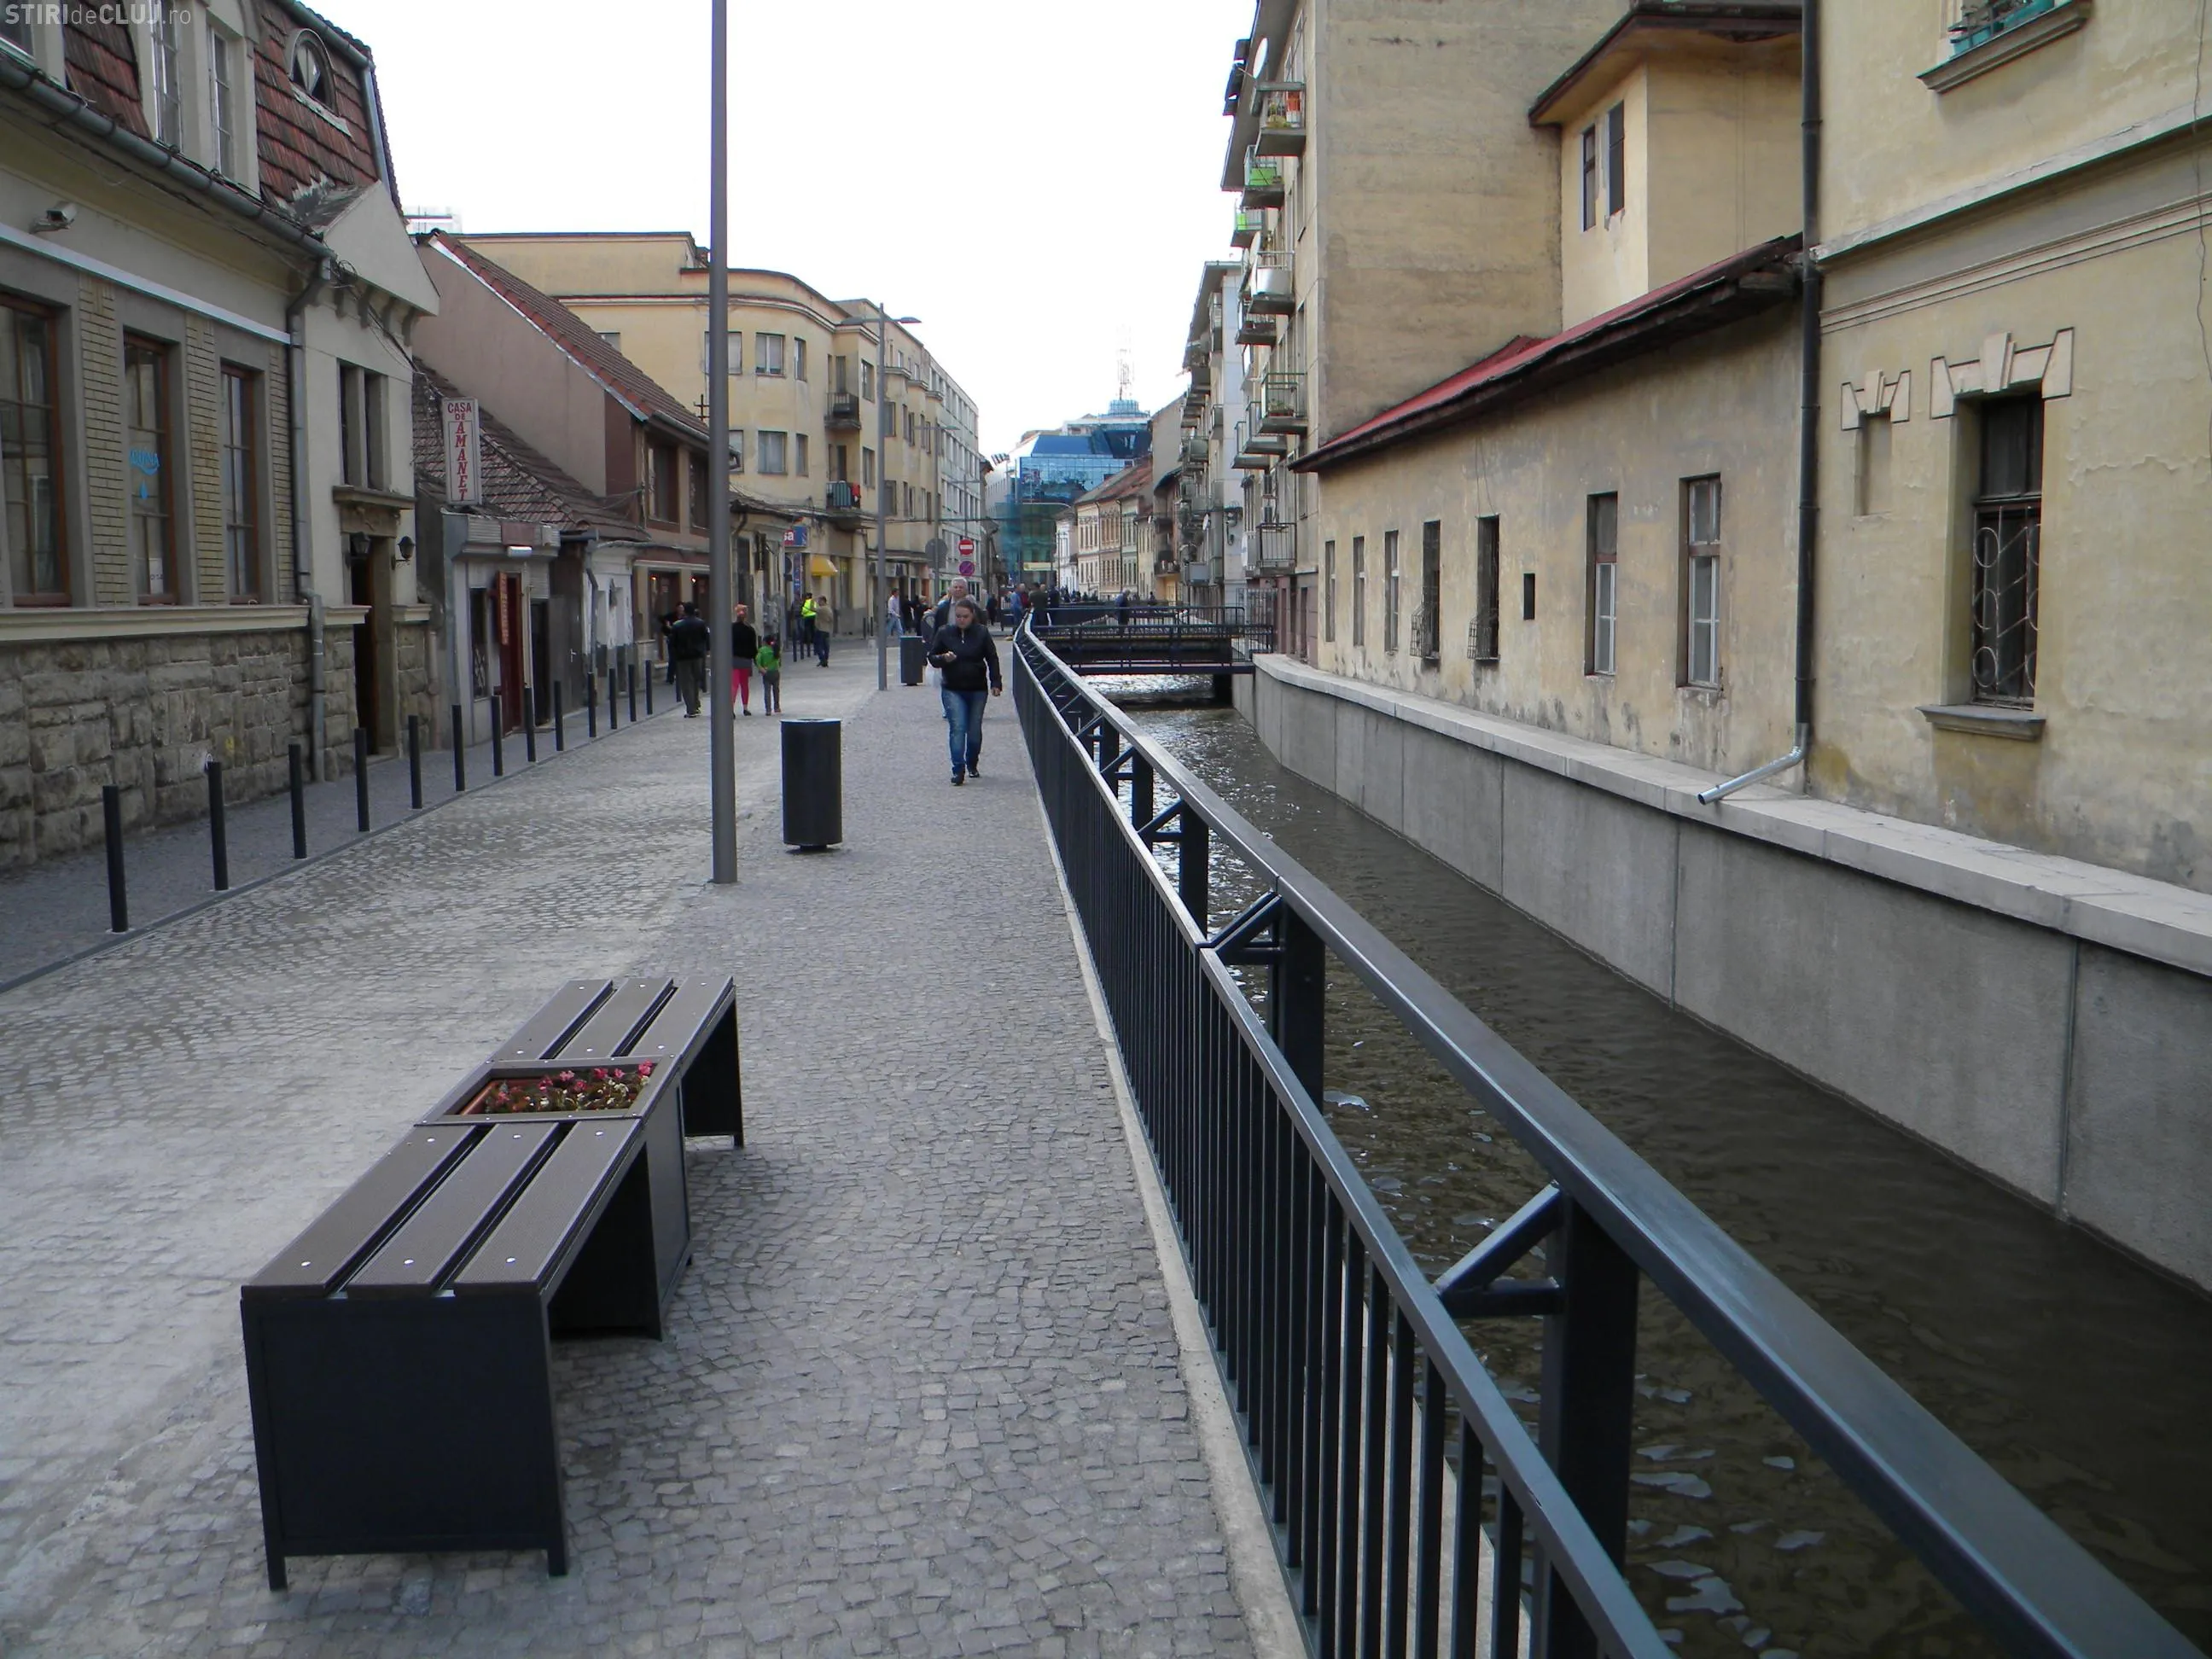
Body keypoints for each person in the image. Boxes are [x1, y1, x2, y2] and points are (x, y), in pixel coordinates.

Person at [929, 596, 1002, 786]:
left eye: (965, 616)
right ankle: (958, 769)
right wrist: (943, 658)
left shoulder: (981, 633)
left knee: (974, 731)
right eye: (958, 616)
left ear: (972, 616)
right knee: (958, 728)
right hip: (952, 688)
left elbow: (992, 658)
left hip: (977, 688)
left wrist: (996, 682)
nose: (961, 620)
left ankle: (972, 762)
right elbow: (932, 657)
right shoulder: (945, 633)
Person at [667, 602, 711, 716]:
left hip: (683, 657)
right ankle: (695, 704)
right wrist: (706, 650)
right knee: (696, 680)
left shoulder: (677, 625)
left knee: (686, 683)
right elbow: (706, 638)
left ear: (685, 611)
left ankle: (691, 709)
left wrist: (675, 655)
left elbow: (672, 643)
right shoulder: (701, 623)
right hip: (697, 656)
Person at [731, 602, 759, 715]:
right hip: (746, 660)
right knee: (744, 685)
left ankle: (731, 708)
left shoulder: (731, 628)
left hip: (733, 659)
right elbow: (753, 647)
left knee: (734, 685)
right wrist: (756, 661)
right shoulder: (750, 630)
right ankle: (745, 708)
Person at [754, 632, 782, 714]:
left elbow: (757, 660)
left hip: (766, 672)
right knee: (776, 690)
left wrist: (761, 668)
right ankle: (777, 707)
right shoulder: (776, 649)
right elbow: (779, 661)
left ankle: (768, 709)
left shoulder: (762, 650)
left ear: (765, 642)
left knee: (767, 691)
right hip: (775, 672)